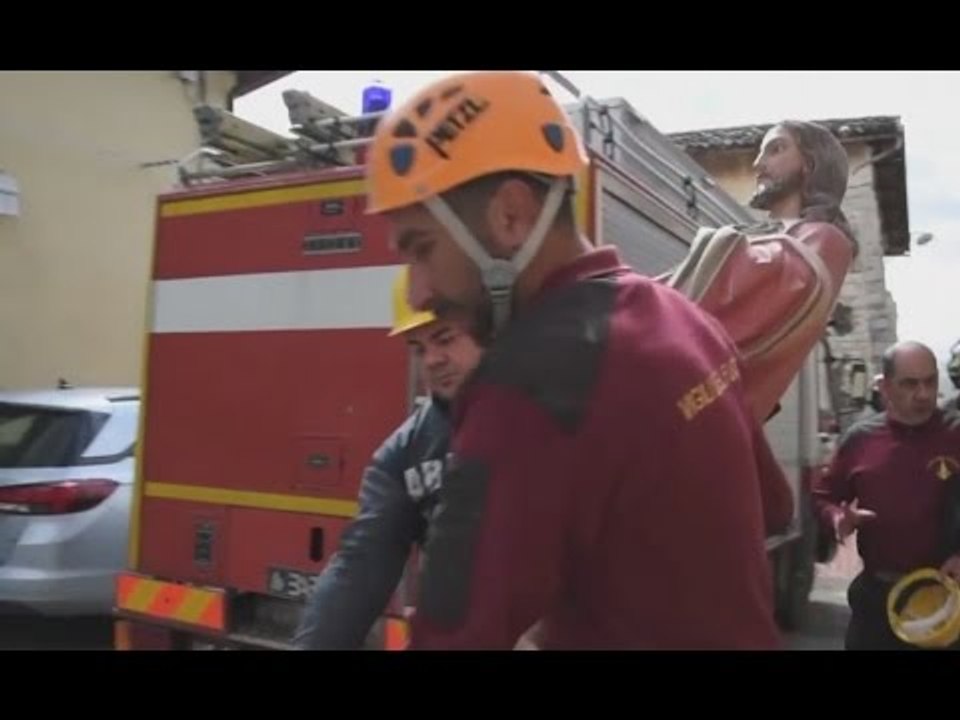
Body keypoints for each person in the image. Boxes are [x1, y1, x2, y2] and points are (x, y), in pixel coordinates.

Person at [364, 70, 793, 649]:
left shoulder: (523, 387)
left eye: (422, 250)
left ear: (511, 215)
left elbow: (454, 638)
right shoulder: (683, 317)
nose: (416, 293)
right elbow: (773, 506)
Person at [293, 268, 483, 650]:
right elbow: (359, 565)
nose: (431, 360)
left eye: (444, 338)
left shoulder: (553, 416)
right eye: (418, 347)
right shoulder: (406, 453)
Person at [812, 341, 960, 650]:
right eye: (909, 384)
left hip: (946, 602)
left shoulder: (954, 434)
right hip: (877, 603)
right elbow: (822, 496)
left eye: (929, 382)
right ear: (885, 387)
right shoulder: (861, 440)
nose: (922, 394)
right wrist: (838, 518)